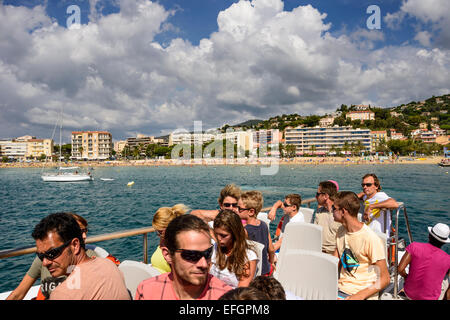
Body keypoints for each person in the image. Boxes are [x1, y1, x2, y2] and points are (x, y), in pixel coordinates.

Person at [31, 212, 130, 300]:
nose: (45, 263)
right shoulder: (109, 265)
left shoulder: (62, 294)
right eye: (40, 256)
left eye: (52, 253)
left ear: (75, 245)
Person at [135, 214, 232, 300]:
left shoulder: (227, 297)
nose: (204, 264)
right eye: (192, 255)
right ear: (167, 255)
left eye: (208, 253)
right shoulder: (146, 291)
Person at [6, 213, 101, 300]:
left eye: (86, 231)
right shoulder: (43, 259)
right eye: (81, 231)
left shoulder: (90, 258)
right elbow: (18, 293)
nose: (84, 236)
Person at [332, 191, 389, 300]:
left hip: (362, 293)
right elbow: (334, 261)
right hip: (340, 289)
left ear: (343, 211)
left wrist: (358, 296)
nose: (331, 211)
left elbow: (385, 278)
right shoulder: (340, 231)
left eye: (334, 208)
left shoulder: (370, 238)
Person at [397, 222, 450, 300]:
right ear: (444, 242)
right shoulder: (448, 259)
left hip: (409, 294)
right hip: (431, 298)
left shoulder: (414, 247)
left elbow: (400, 269)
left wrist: (406, 276)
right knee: (447, 278)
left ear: (429, 235)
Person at [209, 209, 259, 288]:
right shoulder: (215, 248)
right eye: (216, 234)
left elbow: (241, 291)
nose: (218, 239)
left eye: (223, 235)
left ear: (235, 234)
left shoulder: (248, 257)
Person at [238, 190, 275, 276]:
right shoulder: (264, 224)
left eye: (240, 208)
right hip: (266, 270)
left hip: (254, 272)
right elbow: (271, 249)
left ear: (251, 211)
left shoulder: (244, 231)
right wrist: (271, 263)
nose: (237, 210)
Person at [151, 204, 189, 273]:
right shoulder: (164, 239)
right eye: (156, 231)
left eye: (160, 232)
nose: (158, 235)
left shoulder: (178, 246)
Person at [313, 181, 341, 255]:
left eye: (317, 194)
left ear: (325, 196)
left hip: (334, 254)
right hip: (318, 252)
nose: (315, 197)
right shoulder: (319, 211)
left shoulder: (340, 213)